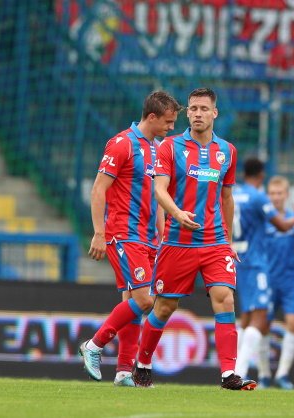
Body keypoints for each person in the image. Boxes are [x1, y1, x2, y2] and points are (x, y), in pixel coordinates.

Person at [130, 88, 253, 390]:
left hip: (214, 242)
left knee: (224, 299)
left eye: (203, 108)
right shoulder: (170, 147)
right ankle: (142, 363)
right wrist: (178, 213)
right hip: (177, 240)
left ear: (215, 113)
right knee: (164, 307)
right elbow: (159, 190)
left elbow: (227, 197)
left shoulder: (228, 151)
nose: (197, 113)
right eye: (193, 108)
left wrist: (229, 240)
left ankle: (228, 374)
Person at [79, 91, 181, 387]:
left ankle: (124, 371)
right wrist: (99, 232)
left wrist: (161, 231)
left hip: (148, 237)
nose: (171, 128)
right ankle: (94, 345)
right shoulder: (122, 144)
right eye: (168, 122)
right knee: (146, 300)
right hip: (124, 234)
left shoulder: (158, 148)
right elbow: (99, 189)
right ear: (151, 117)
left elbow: (157, 194)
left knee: (131, 299)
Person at [232, 158, 294, 382]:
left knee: (246, 318)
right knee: (259, 319)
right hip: (256, 263)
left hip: (238, 260)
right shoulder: (257, 196)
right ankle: (239, 372)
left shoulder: (233, 194)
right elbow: (282, 225)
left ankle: (236, 370)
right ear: (261, 176)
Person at [262, 175, 294, 389]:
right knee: (262, 325)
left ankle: (282, 374)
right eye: (272, 193)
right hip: (267, 279)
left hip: (290, 280)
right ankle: (264, 374)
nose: (276, 197)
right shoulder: (264, 219)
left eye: (279, 193)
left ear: (287, 195)